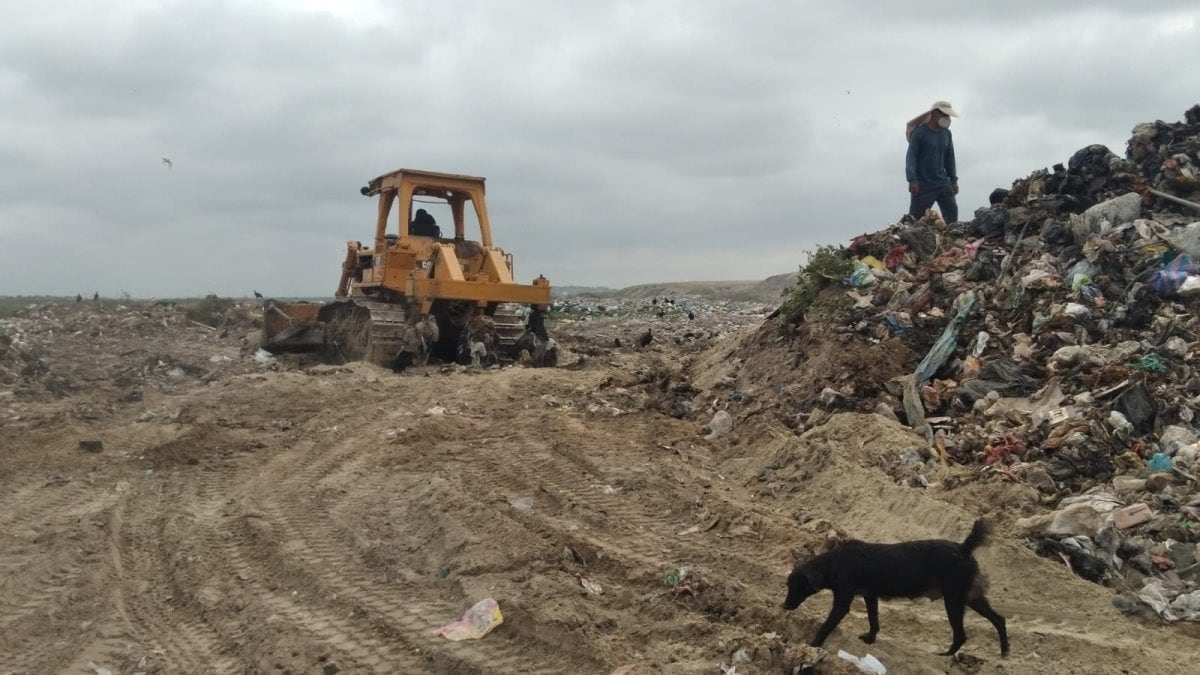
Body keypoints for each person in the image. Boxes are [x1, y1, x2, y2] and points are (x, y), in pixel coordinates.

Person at [905, 100, 959, 223]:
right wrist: (912, 180)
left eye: (948, 115)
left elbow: (950, 158)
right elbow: (911, 158)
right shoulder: (920, 133)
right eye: (944, 115)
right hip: (923, 185)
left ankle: (951, 239)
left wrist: (953, 180)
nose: (947, 118)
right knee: (915, 219)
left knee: (952, 212)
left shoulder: (947, 134)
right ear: (935, 114)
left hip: (943, 183)